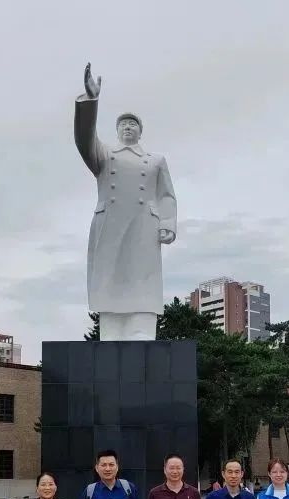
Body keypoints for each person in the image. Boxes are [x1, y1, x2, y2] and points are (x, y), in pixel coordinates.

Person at [74, 63, 177, 341]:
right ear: (117, 130)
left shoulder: (155, 160)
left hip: (144, 227)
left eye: (133, 124)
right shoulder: (105, 156)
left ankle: (141, 328)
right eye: (123, 124)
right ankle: (111, 330)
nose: (128, 127)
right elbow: (84, 140)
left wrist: (168, 223)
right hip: (111, 225)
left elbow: (166, 194)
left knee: (142, 277)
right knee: (111, 277)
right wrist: (91, 101)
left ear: (140, 131)